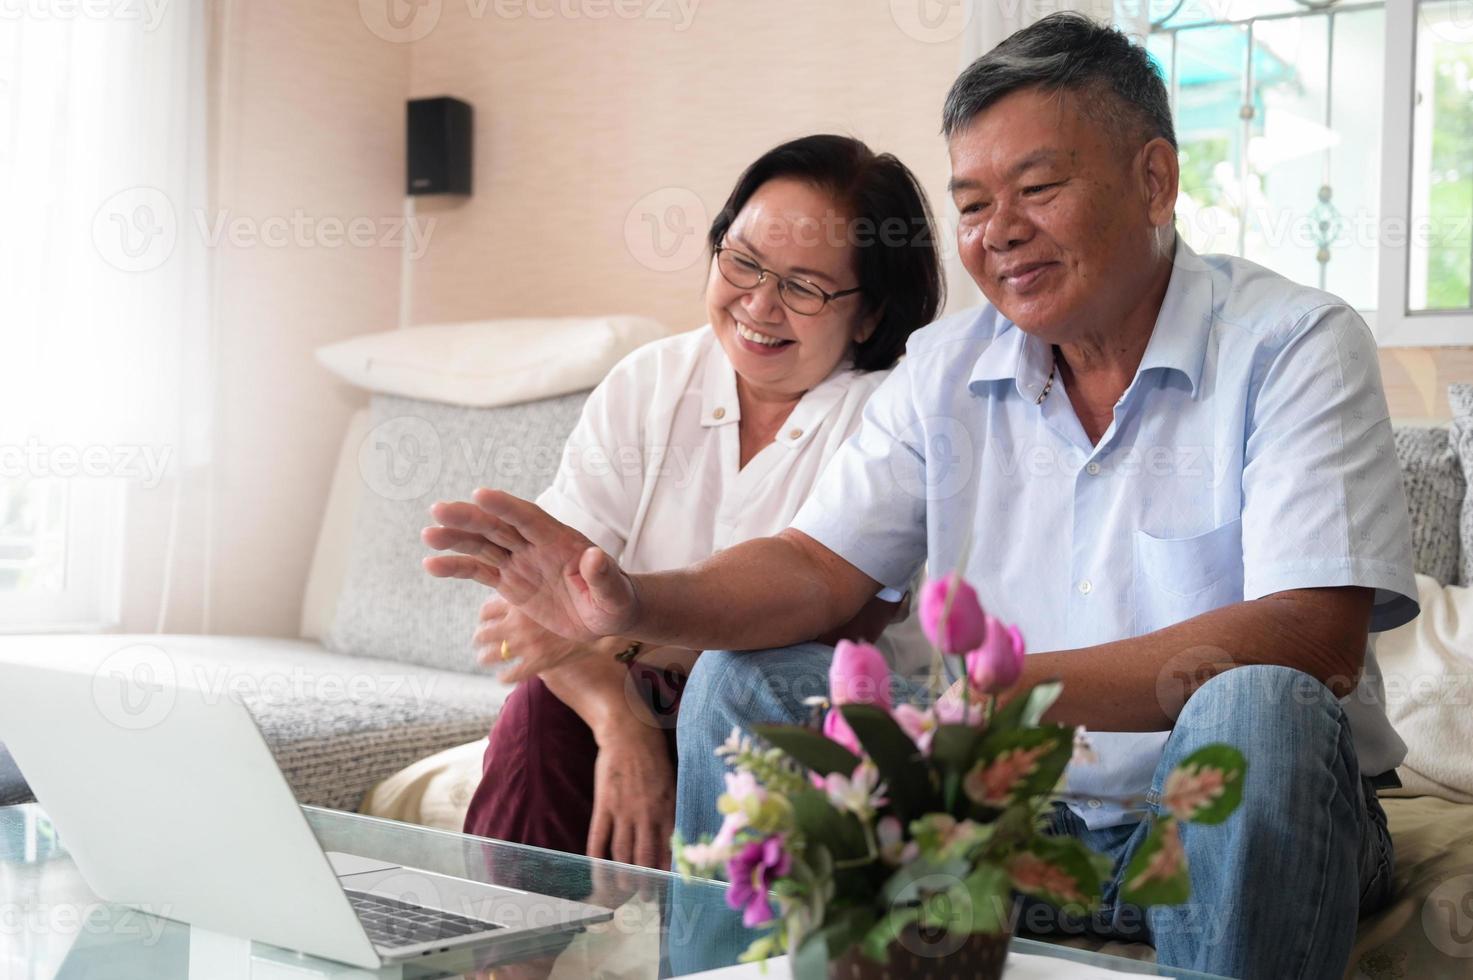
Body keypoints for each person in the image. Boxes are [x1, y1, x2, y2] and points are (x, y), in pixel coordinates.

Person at [428, 16, 1418, 978]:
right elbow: (817, 565)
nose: (1001, 233)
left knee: (1258, 704)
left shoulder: (1293, 343)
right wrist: (636, 600)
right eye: (974, 203)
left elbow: (1313, 639)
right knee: (746, 680)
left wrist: (999, 696)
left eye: (1037, 188)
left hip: (1212, 817)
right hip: (995, 830)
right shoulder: (945, 367)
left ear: (1154, 179)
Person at [422, 134, 943, 871]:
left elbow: (820, 634)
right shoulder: (649, 382)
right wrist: (618, 722)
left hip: (809, 728)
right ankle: (503, 959)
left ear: (867, 314)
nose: (758, 304)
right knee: (541, 710)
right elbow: (524, 629)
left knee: (736, 687)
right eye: (742, 262)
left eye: (802, 286)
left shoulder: (889, 415)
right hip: (647, 704)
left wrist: (607, 632)